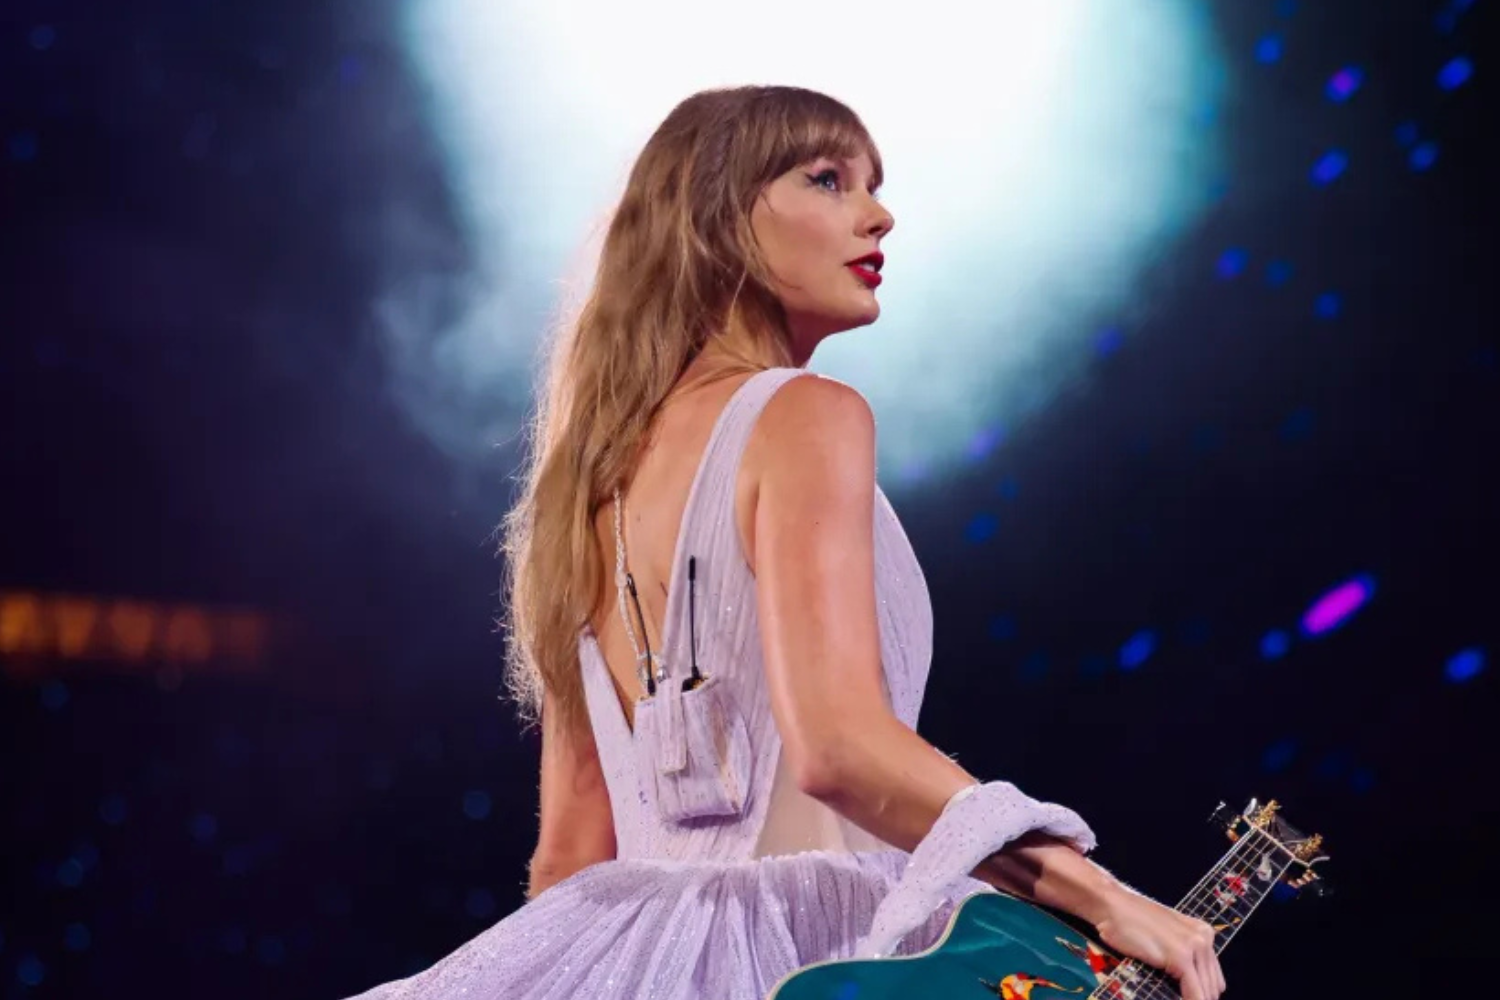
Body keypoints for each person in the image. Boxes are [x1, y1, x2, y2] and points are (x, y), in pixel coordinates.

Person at [345, 85, 1225, 1000]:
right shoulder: (807, 415)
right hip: (815, 956)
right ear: (718, 221)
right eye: (828, 180)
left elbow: (570, 857)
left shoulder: (585, 480)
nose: (879, 216)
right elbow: (839, 747)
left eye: (873, 186)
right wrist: (1102, 895)